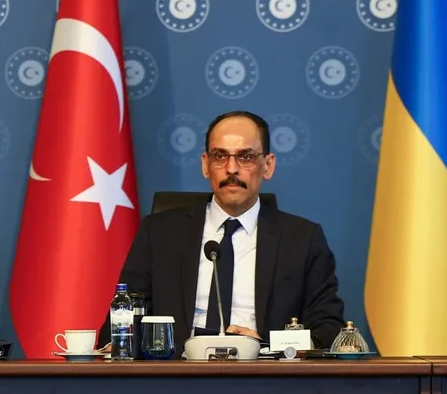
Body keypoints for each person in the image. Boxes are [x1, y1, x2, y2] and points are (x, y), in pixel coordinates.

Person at [101, 111, 344, 351]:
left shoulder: (302, 240)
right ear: (205, 165)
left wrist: (268, 347)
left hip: (264, 370)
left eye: (246, 157)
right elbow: (119, 322)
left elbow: (328, 328)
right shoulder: (159, 234)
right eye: (220, 156)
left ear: (268, 166)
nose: (231, 169)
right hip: (177, 370)